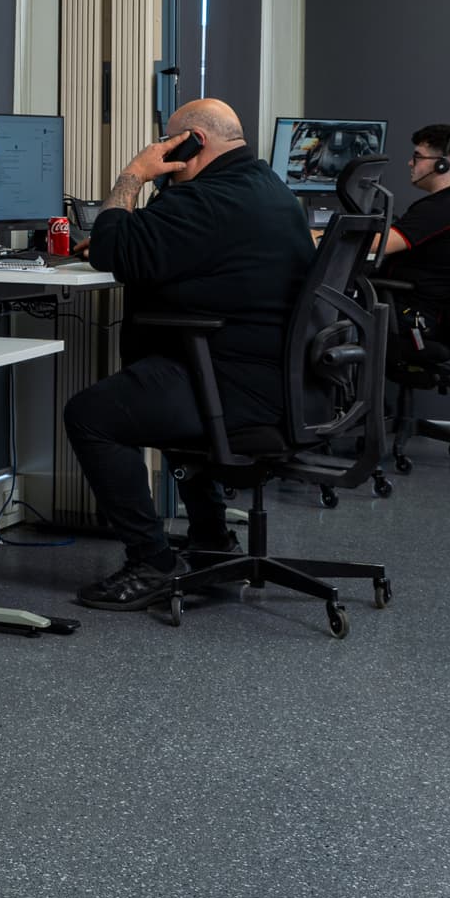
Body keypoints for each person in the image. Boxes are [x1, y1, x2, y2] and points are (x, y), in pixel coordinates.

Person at [63, 98, 315, 612]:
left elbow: (116, 254)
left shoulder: (208, 201)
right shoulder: (269, 191)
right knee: (157, 378)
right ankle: (211, 538)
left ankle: (151, 562)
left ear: (190, 142)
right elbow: (169, 247)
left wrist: (134, 174)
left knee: (91, 415)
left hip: (233, 388)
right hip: (278, 384)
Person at [378, 123, 450, 351]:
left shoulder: (441, 209)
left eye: (417, 157)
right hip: (419, 316)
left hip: (412, 320)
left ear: (441, 164)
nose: (410, 163)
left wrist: (316, 233)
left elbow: (378, 244)